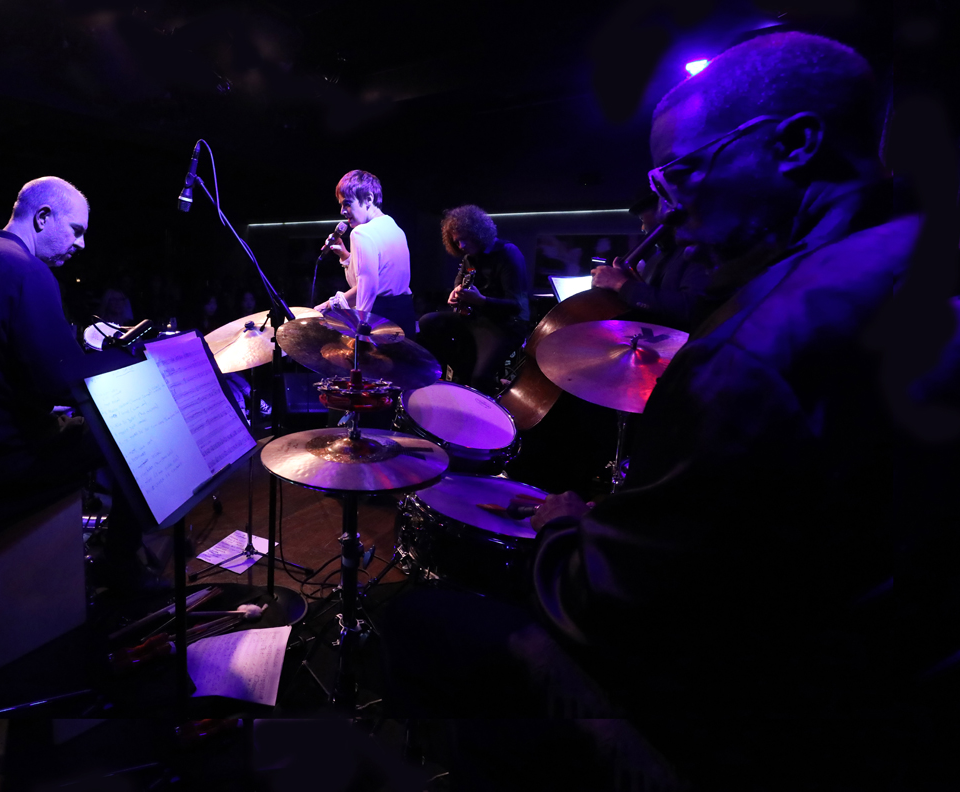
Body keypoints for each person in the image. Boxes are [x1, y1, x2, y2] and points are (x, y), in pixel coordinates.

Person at [383, 32, 909, 789]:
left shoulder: (757, 348)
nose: (666, 216)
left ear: (795, 144)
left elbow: (606, 609)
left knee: (421, 621)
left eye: (682, 175)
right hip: (872, 692)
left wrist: (564, 528)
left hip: (740, 727)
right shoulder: (913, 252)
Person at [0, 176, 166, 592]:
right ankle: (121, 566)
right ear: (43, 217)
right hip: (2, 456)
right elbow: (59, 385)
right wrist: (128, 362)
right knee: (141, 432)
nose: (81, 244)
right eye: (76, 230)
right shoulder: (27, 270)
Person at [416, 205, 529, 393]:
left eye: (464, 239)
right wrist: (455, 292)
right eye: (456, 241)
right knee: (428, 322)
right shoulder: (469, 257)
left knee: (480, 378)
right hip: (475, 319)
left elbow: (516, 306)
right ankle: (462, 369)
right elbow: (460, 279)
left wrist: (481, 300)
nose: (461, 246)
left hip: (504, 325)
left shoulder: (508, 253)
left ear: (477, 233)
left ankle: (484, 392)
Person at [590, 194, 717, 332]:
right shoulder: (655, 260)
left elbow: (690, 308)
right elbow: (652, 307)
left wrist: (621, 284)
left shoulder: (696, 252)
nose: (642, 227)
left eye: (642, 219)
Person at [315, 170, 415, 337]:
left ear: (369, 199)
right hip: (404, 316)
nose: (342, 211)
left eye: (347, 204)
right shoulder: (395, 227)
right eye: (341, 205)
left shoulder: (361, 232)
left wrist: (359, 331)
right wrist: (345, 256)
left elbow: (367, 289)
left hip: (380, 320)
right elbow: (364, 283)